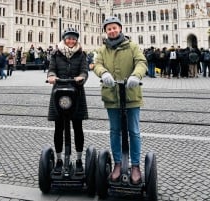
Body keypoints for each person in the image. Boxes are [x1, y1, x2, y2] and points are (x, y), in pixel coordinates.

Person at [93, 17, 147, 184]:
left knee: (134, 131)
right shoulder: (102, 49)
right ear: (106, 31)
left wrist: (136, 75)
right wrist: (104, 73)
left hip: (131, 95)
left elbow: (141, 63)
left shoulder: (132, 46)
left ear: (120, 28)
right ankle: (117, 163)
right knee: (115, 131)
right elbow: (97, 64)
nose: (112, 31)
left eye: (114, 28)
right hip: (112, 95)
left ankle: (136, 165)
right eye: (109, 29)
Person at [47, 27, 88, 174]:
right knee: (59, 128)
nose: (71, 41)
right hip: (59, 94)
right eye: (68, 38)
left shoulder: (81, 54)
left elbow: (84, 70)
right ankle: (59, 159)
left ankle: (78, 159)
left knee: (78, 127)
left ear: (76, 40)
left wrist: (82, 77)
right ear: (64, 39)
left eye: (74, 38)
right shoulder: (56, 54)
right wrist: (51, 76)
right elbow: (51, 69)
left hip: (76, 93)